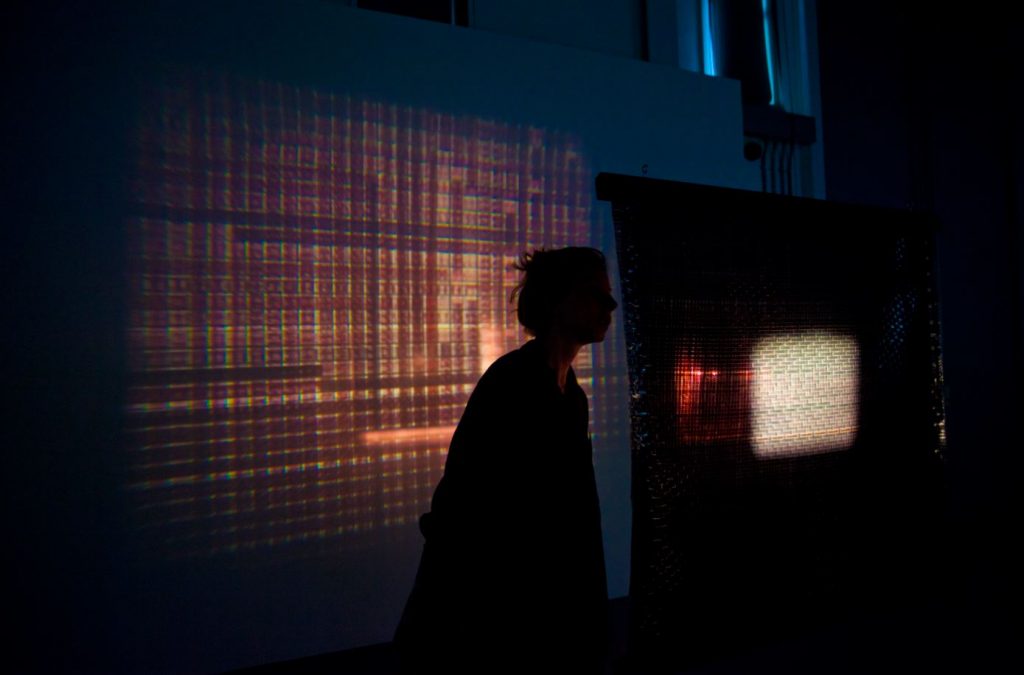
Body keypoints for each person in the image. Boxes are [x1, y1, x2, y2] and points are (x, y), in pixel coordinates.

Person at [394, 247, 618, 674]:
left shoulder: (572, 397)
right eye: (595, 294)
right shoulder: (513, 384)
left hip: (539, 621)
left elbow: (573, 515)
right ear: (558, 299)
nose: (610, 306)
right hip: (496, 626)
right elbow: (472, 507)